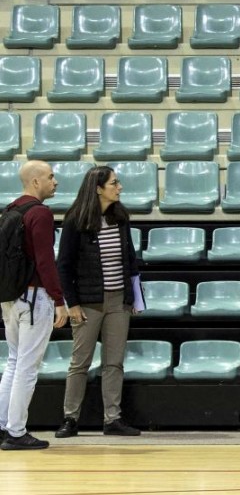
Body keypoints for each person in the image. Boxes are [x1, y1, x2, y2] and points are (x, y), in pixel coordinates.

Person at [55, 166, 142, 438]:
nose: (120, 187)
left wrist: (135, 298)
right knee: (80, 362)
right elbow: (64, 266)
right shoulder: (75, 221)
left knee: (114, 362)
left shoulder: (121, 218)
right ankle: (70, 418)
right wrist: (73, 304)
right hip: (88, 302)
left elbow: (130, 260)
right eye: (115, 183)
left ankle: (112, 419)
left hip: (119, 301)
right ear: (98, 188)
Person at [1, 161, 69, 450]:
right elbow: (45, 261)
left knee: (14, 362)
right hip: (34, 297)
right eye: (51, 177)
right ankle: (16, 432)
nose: (56, 182)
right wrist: (59, 300)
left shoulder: (10, 210)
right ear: (35, 182)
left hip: (11, 297)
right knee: (27, 367)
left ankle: (4, 425)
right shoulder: (40, 213)